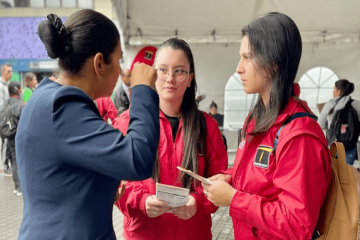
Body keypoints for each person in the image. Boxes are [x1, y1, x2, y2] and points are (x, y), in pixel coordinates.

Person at [16, 10, 160, 240]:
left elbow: (57, 181)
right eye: (119, 59)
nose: (121, 70)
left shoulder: (44, 98)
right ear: (100, 63)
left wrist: (100, 190)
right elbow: (138, 160)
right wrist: (142, 89)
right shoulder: (63, 107)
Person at [202, 12, 332, 240]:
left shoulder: (299, 135)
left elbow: (297, 224)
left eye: (247, 57)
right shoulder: (258, 118)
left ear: (273, 63)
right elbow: (260, 174)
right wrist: (230, 177)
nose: (239, 68)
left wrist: (234, 198)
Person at [113, 38, 228, 240]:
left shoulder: (206, 126)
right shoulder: (127, 123)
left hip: (193, 233)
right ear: (153, 74)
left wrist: (198, 202)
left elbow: (221, 177)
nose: (170, 78)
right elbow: (114, 180)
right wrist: (142, 201)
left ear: (190, 78)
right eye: (163, 70)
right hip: (144, 233)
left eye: (179, 71)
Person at [318, 79, 360, 165]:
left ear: (339, 91)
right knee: (347, 174)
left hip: (333, 146)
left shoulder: (330, 104)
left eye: (334, 89)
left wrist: (331, 129)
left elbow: (320, 125)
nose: (333, 92)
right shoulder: (357, 104)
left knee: (334, 175)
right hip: (350, 146)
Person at [7, 81, 24, 196]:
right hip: (18, 135)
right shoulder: (19, 104)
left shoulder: (5, 103)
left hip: (9, 135)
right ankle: (20, 188)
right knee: (20, 160)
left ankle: (15, 186)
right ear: (17, 90)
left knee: (13, 159)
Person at [0, 63, 12, 177]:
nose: (11, 73)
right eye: (9, 71)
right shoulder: (0, 86)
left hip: (6, 119)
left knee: (7, 143)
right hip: (3, 120)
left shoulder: (6, 85)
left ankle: (7, 166)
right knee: (5, 143)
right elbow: (1, 106)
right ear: (3, 72)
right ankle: (5, 167)